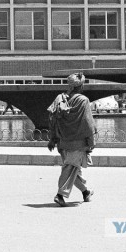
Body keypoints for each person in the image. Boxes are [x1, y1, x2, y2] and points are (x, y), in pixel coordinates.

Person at [47, 73, 96, 207]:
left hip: (63, 141)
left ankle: (86, 192)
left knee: (74, 169)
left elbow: (52, 119)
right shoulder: (83, 100)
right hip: (77, 142)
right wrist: (91, 141)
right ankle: (60, 195)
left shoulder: (60, 98)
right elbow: (88, 123)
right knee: (70, 168)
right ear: (81, 85)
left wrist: (53, 139)